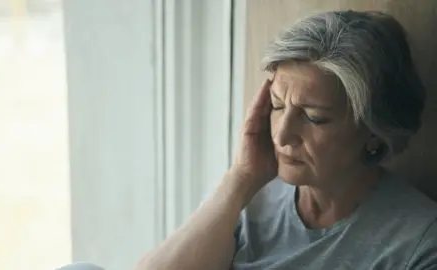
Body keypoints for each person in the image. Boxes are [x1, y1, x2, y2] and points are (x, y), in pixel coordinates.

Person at [133, 10, 437, 270]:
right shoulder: (254, 197)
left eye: (314, 117)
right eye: (278, 105)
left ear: (374, 130)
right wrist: (240, 179)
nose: (281, 134)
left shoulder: (417, 242)